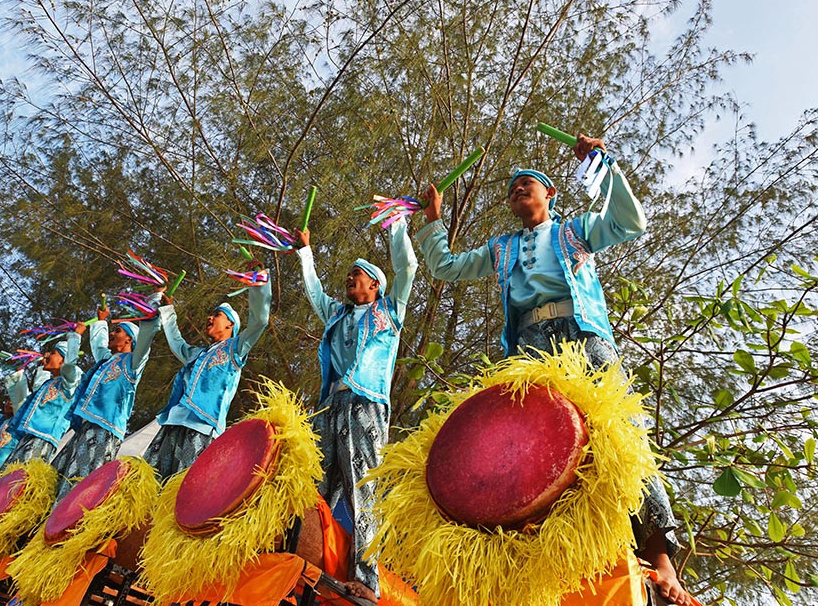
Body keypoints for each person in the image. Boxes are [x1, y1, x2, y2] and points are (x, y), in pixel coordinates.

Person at [416, 134, 691, 606]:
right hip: (528, 349)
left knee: (622, 436)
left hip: (582, 338)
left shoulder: (574, 232)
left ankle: (659, 554)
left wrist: (601, 163)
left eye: (529, 184)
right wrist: (434, 221)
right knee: (527, 446)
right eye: (513, 188)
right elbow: (444, 267)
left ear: (551, 195)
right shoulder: (501, 248)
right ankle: (555, 560)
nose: (519, 190)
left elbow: (630, 221)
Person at [294, 218, 417, 604]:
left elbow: (409, 268)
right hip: (331, 405)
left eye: (357, 275)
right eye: (348, 276)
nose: (350, 280)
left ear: (374, 285)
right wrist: (305, 253)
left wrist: (397, 227)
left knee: (362, 487)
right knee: (317, 486)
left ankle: (367, 578)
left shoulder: (390, 311)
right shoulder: (337, 315)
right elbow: (314, 293)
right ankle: (302, 558)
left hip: (366, 405)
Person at [143, 266, 272, 480]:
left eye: (217, 315)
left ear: (231, 324)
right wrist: (167, 311)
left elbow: (259, 321)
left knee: (185, 486)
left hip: (203, 428)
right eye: (210, 315)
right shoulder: (196, 354)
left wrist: (259, 285)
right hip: (174, 423)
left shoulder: (236, 349)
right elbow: (176, 343)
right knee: (151, 483)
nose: (209, 318)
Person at [50, 294, 162, 498]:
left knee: (81, 484)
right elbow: (98, 344)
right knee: (59, 477)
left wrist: (153, 303)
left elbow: (147, 334)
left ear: (130, 339)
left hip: (105, 429)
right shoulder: (106, 360)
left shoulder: (134, 362)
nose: (112, 333)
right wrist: (100, 321)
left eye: (117, 330)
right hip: (86, 425)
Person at [2, 331, 81, 465]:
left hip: (43, 438)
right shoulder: (50, 383)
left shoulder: (70, 382)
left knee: (24, 477)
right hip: (28, 435)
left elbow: (70, 366)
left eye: (53, 353)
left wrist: (76, 336)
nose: (47, 354)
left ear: (64, 359)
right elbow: (34, 387)